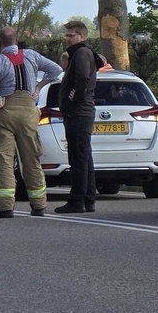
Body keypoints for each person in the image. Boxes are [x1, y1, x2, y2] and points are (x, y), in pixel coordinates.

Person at [0, 26, 62, 218]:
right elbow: (57, 69)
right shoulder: (31, 55)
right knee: (31, 159)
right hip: (28, 112)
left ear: (0, 42)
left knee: (4, 159)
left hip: (5, 113)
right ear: (17, 40)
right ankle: (39, 205)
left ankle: (5, 207)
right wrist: (39, 86)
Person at [54, 21, 98, 214]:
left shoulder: (81, 53)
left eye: (71, 35)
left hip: (79, 112)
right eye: (67, 35)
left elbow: (82, 78)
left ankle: (77, 200)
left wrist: (74, 98)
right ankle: (88, 198)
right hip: (81, 112)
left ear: (82, 36)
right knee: (85, 157)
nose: (68, 39)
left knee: (78, 158)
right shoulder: (82, 53)